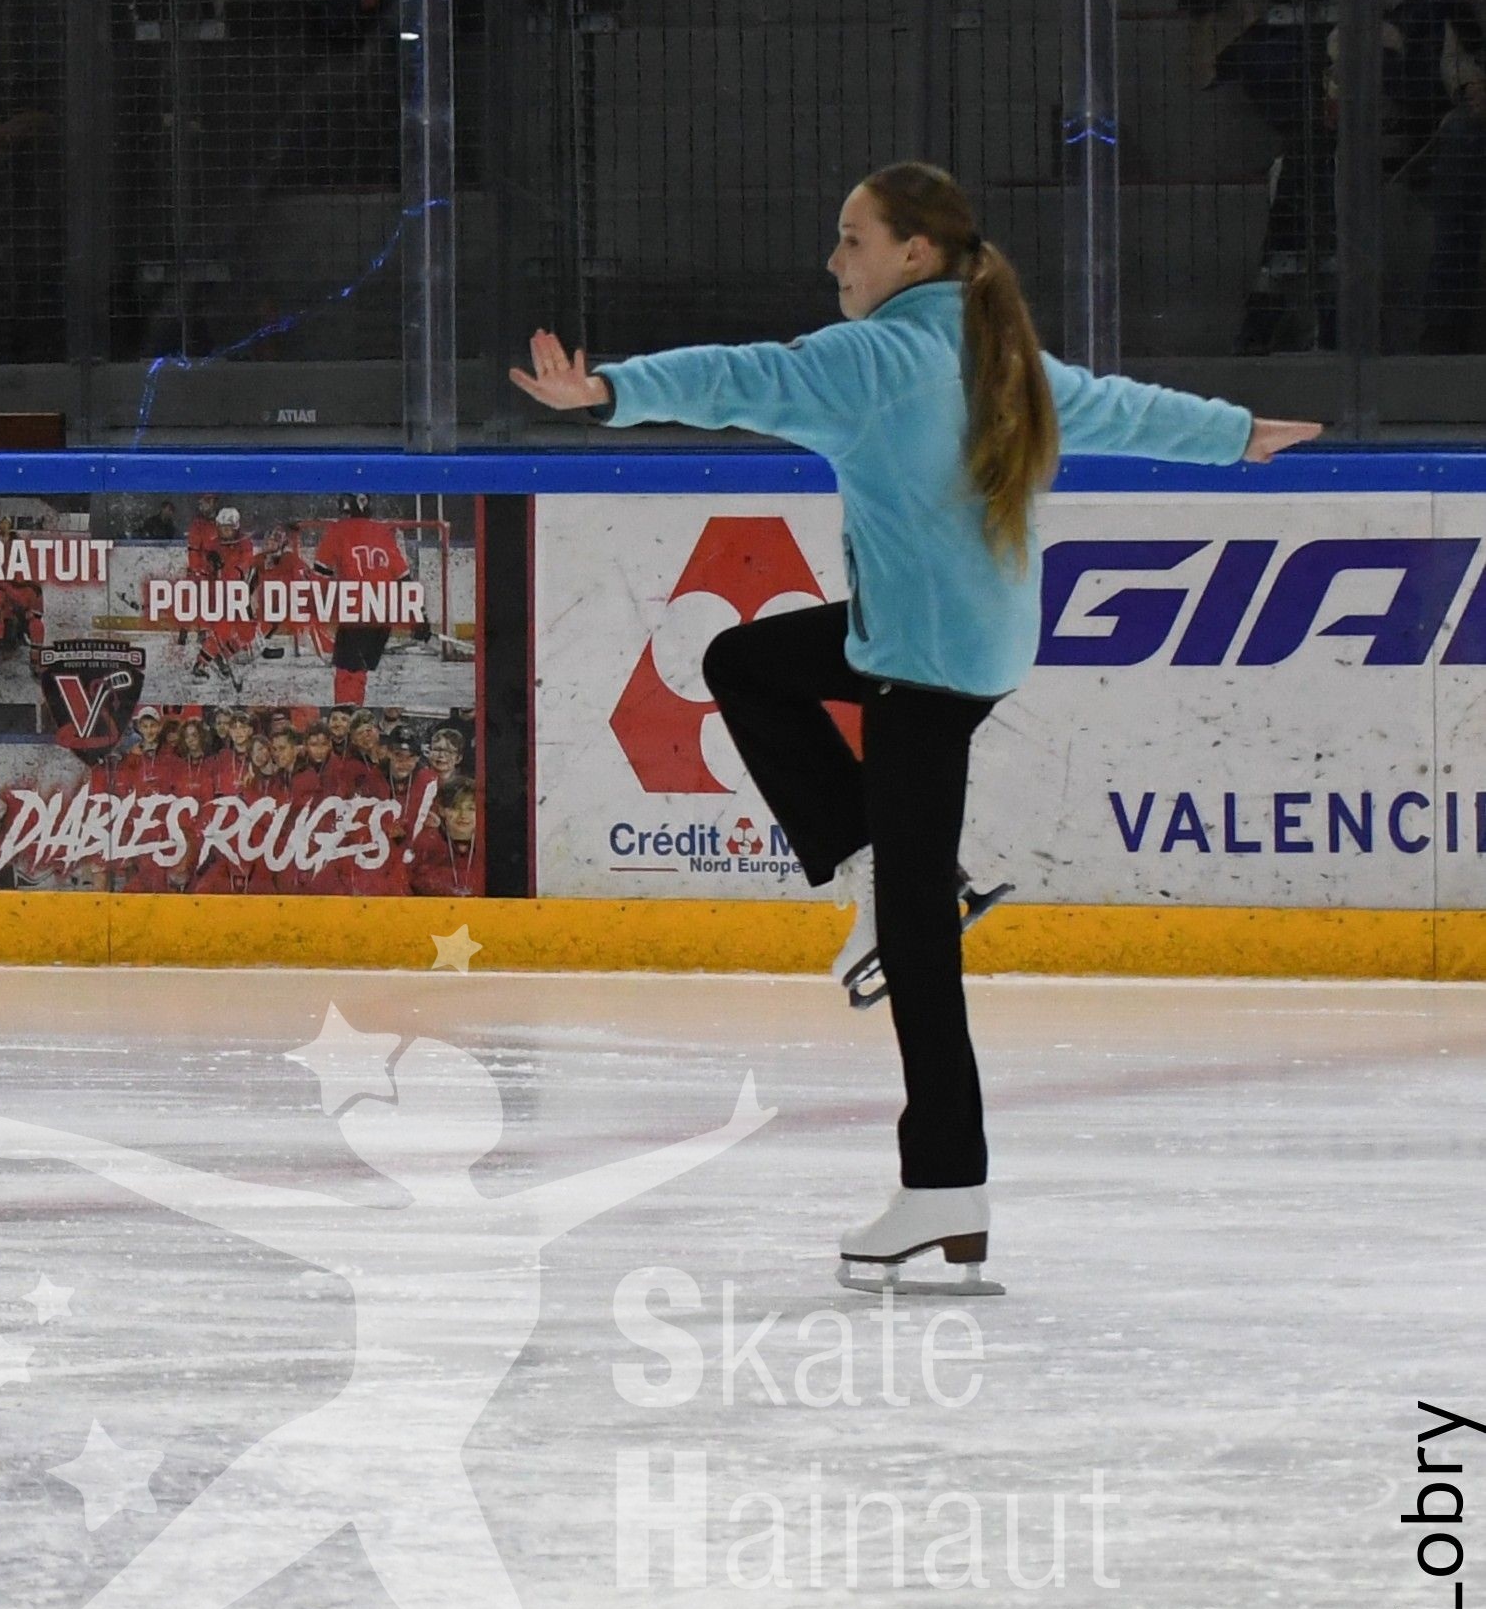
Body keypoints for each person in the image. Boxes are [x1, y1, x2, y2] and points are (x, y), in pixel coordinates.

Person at [509, 161, 1321, 1295]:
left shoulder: (875, 359)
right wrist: (1233, 433)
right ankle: (882, 875)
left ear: (914, 254)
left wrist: (606, 392)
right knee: (743, 661)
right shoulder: (997, 351)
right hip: (960, 643)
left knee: (920, 956)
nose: (833, 260)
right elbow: (1119, 407)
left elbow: (743, 376)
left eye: (852, 238)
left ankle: (943, 1186)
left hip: (917, 670)